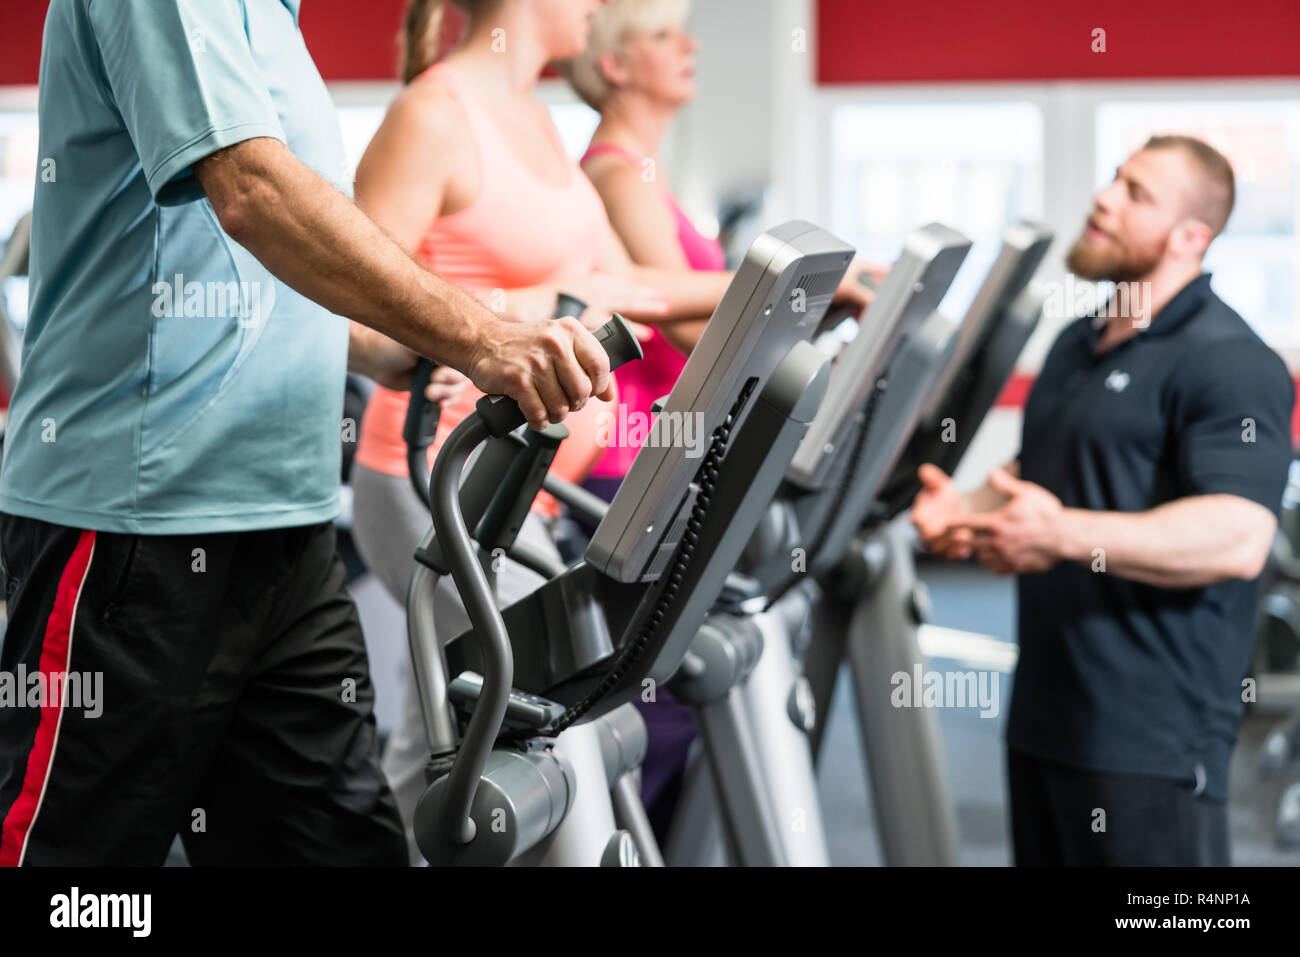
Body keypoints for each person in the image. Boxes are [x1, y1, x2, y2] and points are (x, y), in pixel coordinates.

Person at [0, 0, 612, 867]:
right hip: (138, 525)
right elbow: (251, 192)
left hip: (287, 528)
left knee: (339, 848)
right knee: (76, 869)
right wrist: (479, 335)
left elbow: (260, 270)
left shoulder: (277, 22)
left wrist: (382, 343)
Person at [910, 135, 1294, 866]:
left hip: (1154, 743)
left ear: (1191, 237)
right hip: (1047, 718)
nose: (1104, 198)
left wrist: (1058, 535)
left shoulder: (1228, 360)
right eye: (1114, 179)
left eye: (1136, 193)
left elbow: (1238, 534)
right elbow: (1051, 466)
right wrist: (964, 511)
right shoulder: (1076, 343)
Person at [560, 0, 721, 840]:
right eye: (663, 33)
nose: (688, 45)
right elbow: (689, 325)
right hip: (627, 466)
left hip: (662, 461)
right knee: (656, 714)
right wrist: (802, 296)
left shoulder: (648, 172)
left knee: (675, 704)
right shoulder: (618, 175)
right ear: (615, 64)